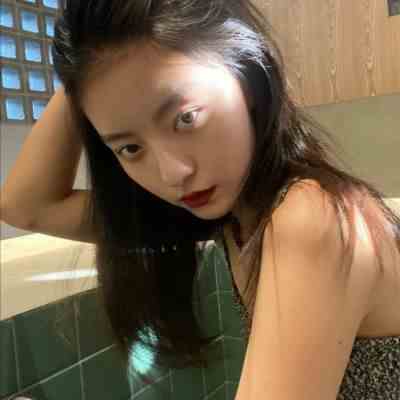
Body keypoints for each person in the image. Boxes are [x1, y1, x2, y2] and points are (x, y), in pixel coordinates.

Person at [1, 0, 399, 398]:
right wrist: (83, 68)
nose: (172, 174)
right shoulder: (234, 217)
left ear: (248, 77)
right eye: (130, 148)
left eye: (186, 118)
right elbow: (27, 207)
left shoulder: (311, 215)